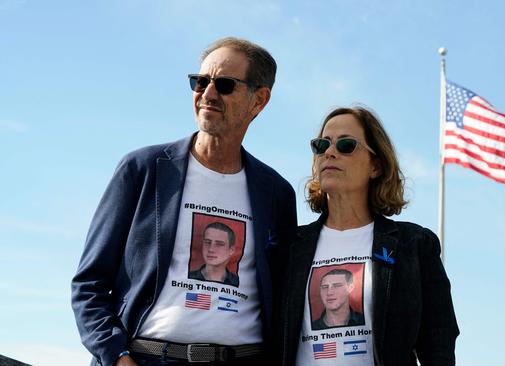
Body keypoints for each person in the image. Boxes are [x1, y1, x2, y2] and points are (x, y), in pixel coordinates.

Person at [71, 37, 297, 366]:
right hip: (146, 358)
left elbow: (282, 297)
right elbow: (89, 283)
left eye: (224, 84)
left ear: (258, 100)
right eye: (200, 81)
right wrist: (115, 355)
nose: (207, 94)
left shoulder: (276, 193)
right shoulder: (142, 169)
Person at [279, 107, 459, 366]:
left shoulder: (414, 245)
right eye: (321, 145)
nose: (330, 152)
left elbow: (439, 342)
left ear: (375, 165)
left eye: (345, 145)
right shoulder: (290, 247)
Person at [188, 221, 240, 286]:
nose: (211, 249)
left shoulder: (238, 282)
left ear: (231, 250)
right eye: (207, 242)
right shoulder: (187, 277)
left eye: (219, 244)